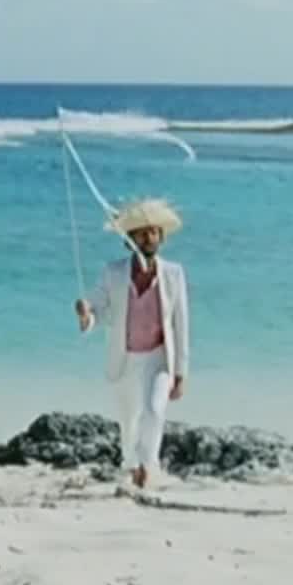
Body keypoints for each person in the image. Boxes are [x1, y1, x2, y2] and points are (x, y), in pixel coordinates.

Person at [73, 198, 190, 490]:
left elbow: (180, 324)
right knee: (128, 422)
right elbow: (98, 311)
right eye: (142, 232)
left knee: (154, 411)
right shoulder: (113, 272)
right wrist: (86, 314)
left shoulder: (174, 274)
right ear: (129, 239)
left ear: (161, 237)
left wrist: (180, 373)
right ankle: (132, 465)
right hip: (125, 357)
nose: (149, 237)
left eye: (153, 232)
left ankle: (148, 466)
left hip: (159, 357)